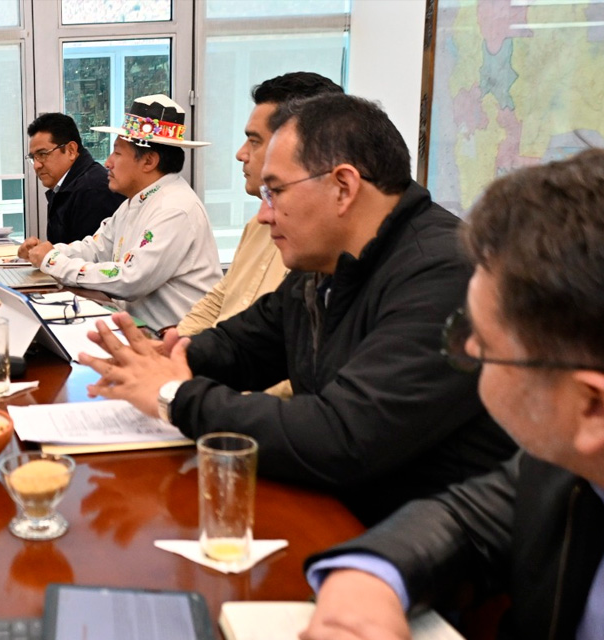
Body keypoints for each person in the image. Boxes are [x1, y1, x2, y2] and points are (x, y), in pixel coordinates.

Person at [80, 94, 516, 525]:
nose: (265, 215)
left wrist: (175, 396)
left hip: (415, 546)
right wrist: (172, 357)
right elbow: (252, 341)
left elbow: (344, 435)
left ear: (343, 187)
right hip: (335, 508)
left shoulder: (442, 273)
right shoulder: (329, 260)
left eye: (276, 192)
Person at [303, 148, 604, 640]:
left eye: (482, 343)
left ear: (590, 406)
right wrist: (369, 578)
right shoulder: (565, 465)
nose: (465, 348)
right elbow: (466, 520)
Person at [17, 94, 222, 332]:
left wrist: (53, 261)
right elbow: (95, 248)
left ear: (148, 161)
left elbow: (130, 278)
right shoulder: (136, 201)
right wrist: (45, 252)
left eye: (117, 153)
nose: (107, 162)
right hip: (141, 332)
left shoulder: (175, 208)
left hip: (177, 343)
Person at [176, 72, 342, 338]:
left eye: (254, 141)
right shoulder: (258, 222)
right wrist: (176, 346)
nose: (241, 153)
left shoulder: (328, 246)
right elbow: (221, 298)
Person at [26, 112, 125, 244]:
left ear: (71, 150)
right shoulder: (67, 186)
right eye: (33, 158)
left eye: (43, 154)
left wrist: (49, 255)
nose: (37, 165)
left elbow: (91, 257)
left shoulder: (93, 190)